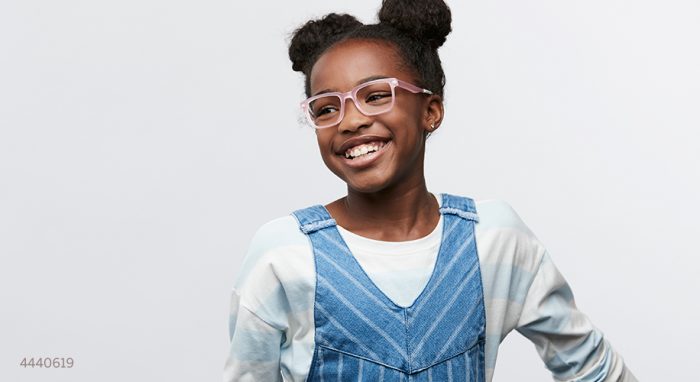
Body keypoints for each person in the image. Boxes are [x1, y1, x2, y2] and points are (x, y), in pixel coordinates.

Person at [224, 0, 637, 380]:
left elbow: (593, 368)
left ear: (431, 111)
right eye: (327, 107)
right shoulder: (284, 254)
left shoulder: (492, 239)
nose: (349, 121)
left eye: (375, 95)